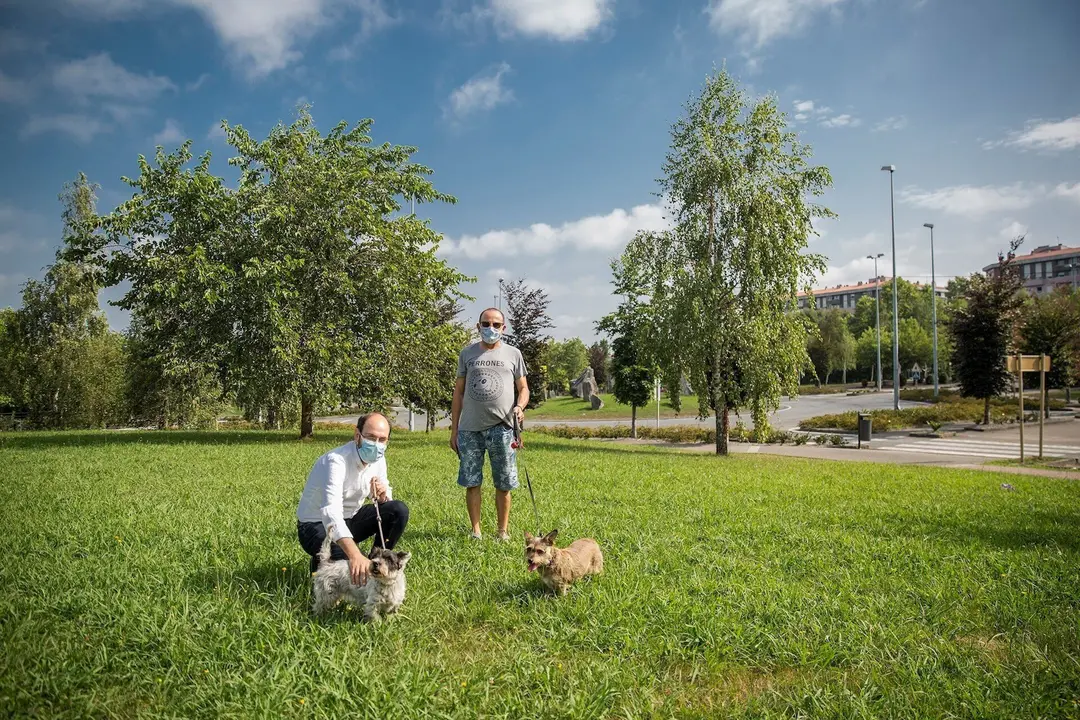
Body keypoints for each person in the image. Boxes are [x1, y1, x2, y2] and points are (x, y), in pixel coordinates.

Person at [296, 412, 409, 585]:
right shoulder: (336, 461)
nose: (376, 444)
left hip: (351, 517)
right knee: (346, 565)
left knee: (397, 510)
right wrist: (355, 555)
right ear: (357, 435)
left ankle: (376, 562)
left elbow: (385, 501)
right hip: (315, 524)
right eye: (371, 437)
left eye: (382, 440)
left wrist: (382, 495)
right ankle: (324, 563)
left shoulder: (379, 459)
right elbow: (330, 513)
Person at [450, 307, 529, 541]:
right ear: (478, 326)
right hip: (469, 428)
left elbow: (523, 388)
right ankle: (476, 531)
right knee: (472, 482)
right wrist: (454, 430)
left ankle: (502, 532)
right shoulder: (467, 354)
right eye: (486, 324)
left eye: (496, 325)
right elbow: (459, 392)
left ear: (504, 328)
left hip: (503, 428)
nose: (490, 329)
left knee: (503, 483)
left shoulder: (514, 354)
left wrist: (520, 407)